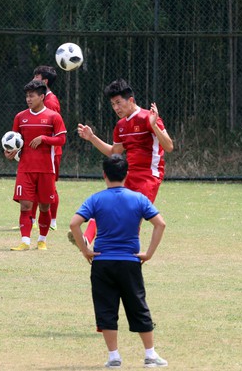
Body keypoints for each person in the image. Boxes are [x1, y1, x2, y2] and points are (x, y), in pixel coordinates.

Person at [68, 154, 168, 368]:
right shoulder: (139, 198)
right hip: (130, 262)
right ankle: (150, 355)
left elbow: (74, 223)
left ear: (104, 175)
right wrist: (149, 253)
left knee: (106, 308)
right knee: (138, 306)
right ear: (127, 174)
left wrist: (85, 250)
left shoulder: (96, 199)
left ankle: (114, 356)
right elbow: (160, 224)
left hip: (102, 262)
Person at [76, 78, 174, 244]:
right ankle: (86, 239)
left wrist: (154, 126)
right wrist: (92, 138)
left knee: (132, 215)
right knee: (109, 203)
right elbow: (114, 152)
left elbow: (169, 146)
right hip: (127, 174)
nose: (116, 108)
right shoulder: (121, 125)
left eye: (118, 103)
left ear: (131, 100)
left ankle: (128, 254)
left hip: (149, 176)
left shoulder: (148, 118)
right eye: (113, 104)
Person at [5, 80, 66, 251]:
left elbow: (61, 139)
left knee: (45, 206)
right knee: (25, 205)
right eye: (27, 96)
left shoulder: (53, 117)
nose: (28, 99)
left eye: (32, 96)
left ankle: (42, 240)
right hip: (25, 168)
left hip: (46, 169)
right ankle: (25, 241)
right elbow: (15, 141)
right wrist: (10, 152)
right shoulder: (20, 117)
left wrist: (44, 139)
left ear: (41, 96)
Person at [31, 65, 61, 230]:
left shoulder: (50, 101)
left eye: (36, 77)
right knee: (34, 185)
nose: (33, 79)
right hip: (39, 149)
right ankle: (32, 219)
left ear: (45, 81)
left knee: (49, 187)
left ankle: (53, 221)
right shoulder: (40, 99)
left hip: (51, 151)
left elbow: (54, 130)